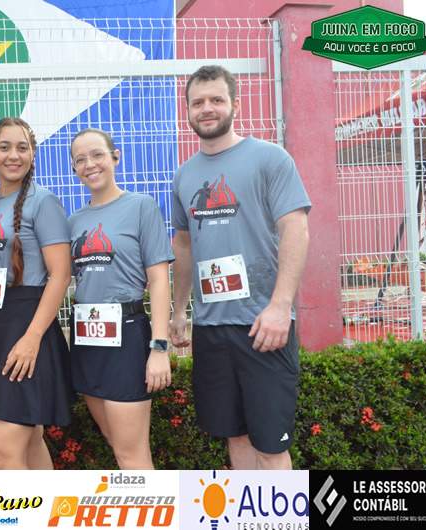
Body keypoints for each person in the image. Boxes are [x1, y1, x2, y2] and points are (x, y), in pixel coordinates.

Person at [169, 65, 311, 470]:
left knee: (271, 447)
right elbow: (183, 245)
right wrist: (179, 311)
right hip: (212, 329)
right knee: (236, 436)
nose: (207, 108)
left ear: (235, 104)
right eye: (198, 102)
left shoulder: (270, 159)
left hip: (262, 324)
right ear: (187, 110)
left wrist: (280, 306)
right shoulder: (185, 175)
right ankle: (247, 506)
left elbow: (296, 229)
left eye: (216, 99)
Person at [68, 128, 174, 469]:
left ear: (115, 157)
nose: (90, 164)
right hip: (86, 339)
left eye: (97, 155)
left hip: (126, 337)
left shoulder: (141, 207)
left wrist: (159, 347)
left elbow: (159, 280)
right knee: (117, 444)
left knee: (131, 454)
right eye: (80, 159)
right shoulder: (73, 222)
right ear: (74, 169)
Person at [0, 117, 73, 470]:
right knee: (30, 442)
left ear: (32, 154)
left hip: (27, 328)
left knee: (1, 451)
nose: (13, 155)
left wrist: (32, 338)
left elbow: (60, 275)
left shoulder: (43, 202)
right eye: (4, 147)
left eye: (22, 147)